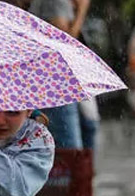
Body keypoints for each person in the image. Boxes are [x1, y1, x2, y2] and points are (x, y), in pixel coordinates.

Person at [29, 0, 90, 149]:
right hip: (57, 81)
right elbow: (64, 41)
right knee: (70, 147)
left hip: (48, 80)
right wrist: (82, 11)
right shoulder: (57, 2)